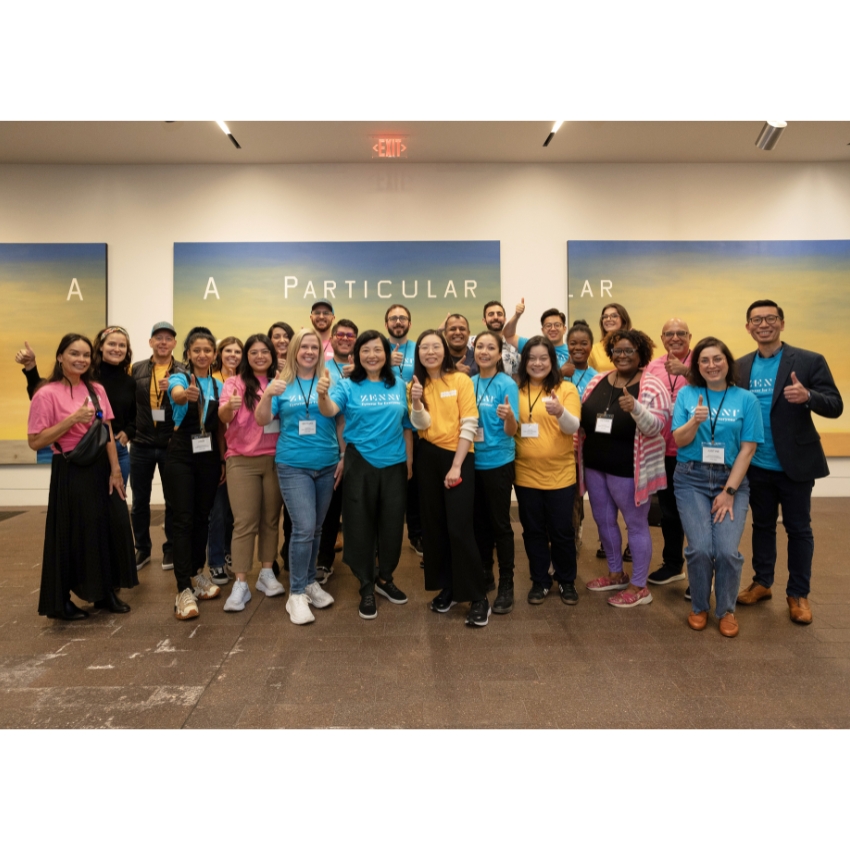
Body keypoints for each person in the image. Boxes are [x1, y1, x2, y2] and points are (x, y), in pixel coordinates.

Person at [735, 299, 844, 625]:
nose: (763, 324)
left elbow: (835, 404)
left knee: (798, 529)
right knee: (762, 526)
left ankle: (798, 593)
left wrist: (809, 397)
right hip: (757, 464)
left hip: (795, 464)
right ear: (748, 327)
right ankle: (762, 582)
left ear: (782, 323)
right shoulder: (740, 366)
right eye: (756, 319)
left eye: (770, 318)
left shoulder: (809, 361)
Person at [27, 333, 137, 620]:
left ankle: (104, 592)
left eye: (86, 355)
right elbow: (35, 441)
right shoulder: (46, 393)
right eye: (74, 354)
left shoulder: (96, 389)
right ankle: (61, 601)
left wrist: (115, 470)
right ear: (60, 357)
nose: (81, 359)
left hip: (101, 466)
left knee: (110, 526)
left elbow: (107, 430)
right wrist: (72, 420)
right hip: (70, 468)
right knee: (72, 532)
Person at [317, 330, 413, 619]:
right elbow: (329, 410)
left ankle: (385, 578)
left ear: (387, 354)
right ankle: (366, 585)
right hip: (360, 462)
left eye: (378, 350)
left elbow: (407, 426)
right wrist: (322, 393)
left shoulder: (399, 385)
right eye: (366, 350)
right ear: (356, 355)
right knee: (360, 524)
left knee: (392, 524)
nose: (372, 355)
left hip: (395, 463)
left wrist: (409, 461)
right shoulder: (347, 385)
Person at [672, 336, 763, 638]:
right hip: (691, 478)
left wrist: (729, 492)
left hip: (730, 480)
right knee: (699, 548)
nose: (712, 365)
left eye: (717, 359)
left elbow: (748, 449)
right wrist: (694, 422)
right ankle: (699, 606)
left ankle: (726, 610)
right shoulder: (687, 394)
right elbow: (679, 440)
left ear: (727, 362)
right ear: (697, 366)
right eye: (704, 360)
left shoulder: (746, 399)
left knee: (725, 551)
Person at [578, 329, 670, 607]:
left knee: (635, 525)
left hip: (630, 470)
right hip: (595, 466)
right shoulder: (598, 380)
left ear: (641, 354)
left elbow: (657, 427)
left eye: (629, 350)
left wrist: (636, 408)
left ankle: (640, 586)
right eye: (617, 350)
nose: (622, 355)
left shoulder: (652, 385)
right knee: (603, 521)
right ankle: (616, 574)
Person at [255, 328, 337, 625]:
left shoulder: (330, 379)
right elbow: (262, 420)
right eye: (304, 346)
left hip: (326, 462)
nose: (309, 351)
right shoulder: (282, 383)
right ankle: (297, 593)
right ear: (294, 351)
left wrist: (324, 393)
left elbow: (332, 412)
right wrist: (267, 394)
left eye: (314, 347)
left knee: (316, 529)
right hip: (293, 464)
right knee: (303, 527)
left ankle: (310, 581)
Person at [408, 330, 490, 627]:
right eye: (424, 347)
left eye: (435, 346)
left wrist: (456, 466)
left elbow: (470, 422)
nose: (430, 352)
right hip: (428, 457)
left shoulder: (460, 380)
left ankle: (478, 597)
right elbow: (421, 424)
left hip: (458, 456)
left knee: (459, 527)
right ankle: (450, 588)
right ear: (418, 353)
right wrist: (417, 402)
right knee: (435, 527)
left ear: (444, 350)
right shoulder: (416, 385)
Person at [512, 336, 582, 606]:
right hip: (526, 474)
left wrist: (560, 411)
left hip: (560, 475)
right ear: (524, 362)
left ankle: (566, 580)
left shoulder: (566, 389)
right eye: (531, 358)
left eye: (543, 358)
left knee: (562, 531)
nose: (537, 363)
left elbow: (572, 427)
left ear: (552, 361)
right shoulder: (517, 390)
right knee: (533, 531)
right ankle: (540, 580)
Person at [219, 333, 286, 612]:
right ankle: (241, 583)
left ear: (272, 355)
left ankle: (267, 573)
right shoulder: (234, 383)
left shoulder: (280, 381)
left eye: (265, 352)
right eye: (254, 352)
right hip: (241, 460)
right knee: (244, 522)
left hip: (275, 459)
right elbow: (223, 417)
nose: (260, 356)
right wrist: (229, 407)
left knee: (270, 520)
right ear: (247, 356)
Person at [165, 328, 225, 620]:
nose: (202, 355)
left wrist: (223, 460)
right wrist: (185, 395)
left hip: (209, 456)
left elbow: (220, 426)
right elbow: (176, 395)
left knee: (203, 517)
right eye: (197, 350)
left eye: (207, 350)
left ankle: (197, 573)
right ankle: (182, 589)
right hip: (181, 455)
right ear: (187, 353)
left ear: (214, 354)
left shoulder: (218, 385)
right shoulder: (179, 378)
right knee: (183, 519)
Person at [470, 332, 520, 612]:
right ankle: (485, 572)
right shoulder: (469, 383)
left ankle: (507, 583)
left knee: (500, 525)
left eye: (491, 347)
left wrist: (509, 417)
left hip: (499, 462)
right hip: (472, 462)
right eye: (480, 347)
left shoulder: (506, 384)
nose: (485, 351)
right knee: (479, 523)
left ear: (500, 354)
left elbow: (512, 431)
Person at [645, 318, 693, 589]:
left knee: (697, 512)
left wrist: (686, 371)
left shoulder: (701, 361)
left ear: (690, 336)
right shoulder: (653, 366)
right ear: (662, 338)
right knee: (669, 512)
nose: (675, 338)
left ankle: (701, 574)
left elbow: (716, 386)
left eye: (681, 333)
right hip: (662, 450)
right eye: (669, 334)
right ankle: (673, 564)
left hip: (693, 451)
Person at [130, 321, 183, 571]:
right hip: (141, 443)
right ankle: (142, 548)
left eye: (168, 338)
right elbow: (127, 403)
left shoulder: (182, 370)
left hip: (170, 443)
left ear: (174, 343)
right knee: (140, 500)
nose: (163, 342)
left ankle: (170, 548)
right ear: (151, 342)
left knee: (173, 500)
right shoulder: (136, 369)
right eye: (158, 338)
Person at [316, 319, 358, 582]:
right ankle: (324, 560)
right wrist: (342, 453)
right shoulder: (322, 369)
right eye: (339, 335)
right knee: (330, 510)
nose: (344, 338)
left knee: (361, 508)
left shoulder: (366, 368)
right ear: (331, 339)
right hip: (332, 448)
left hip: (364, 449)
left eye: (350, 335)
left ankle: (367, 561)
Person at [384, 304, 423, 557]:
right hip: (388, 425)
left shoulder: (419, 349)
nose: (398, 322)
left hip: (417, 424)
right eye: (393, 318)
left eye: (402, 318)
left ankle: (417, 534)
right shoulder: (378, 349)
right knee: (391, 485)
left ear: (409, 322)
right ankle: (386, 539)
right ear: (386, 323)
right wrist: (387, 363)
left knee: (416, 483)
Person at [206, 336, 242, 585]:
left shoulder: (246, 380)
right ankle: (216, 560)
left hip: (243, 454)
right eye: (228, 350)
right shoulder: (214, 381)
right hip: (219, 452)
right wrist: (221, 459)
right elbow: (219, 425)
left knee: (236, 512)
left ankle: (230, 553)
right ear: (219, 354)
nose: (233, 355)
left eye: (238, 351)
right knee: (218, 511)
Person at [564, 320, 598, 551]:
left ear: (591, 346)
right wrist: (558, 373)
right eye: (573, 343)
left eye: (583, 343)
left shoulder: (596, 377)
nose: (578, 348)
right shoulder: (557, 371)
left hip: (585, 444)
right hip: (559, 442)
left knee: (576, 493)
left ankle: (574, 538)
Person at [266, 321, 295, 574]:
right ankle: (269, 557)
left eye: (286, 336)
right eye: (277, 336)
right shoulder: (262, 366)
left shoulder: (298, 368)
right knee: (270, 509)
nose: (282, 340)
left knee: (292, 508)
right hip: (265, 445)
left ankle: (289, 551)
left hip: (291, 446)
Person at [503, 302, 571, 374]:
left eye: (557, 325)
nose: (553, 329)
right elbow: (509, 336)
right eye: (548, 325)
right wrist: (517, 316)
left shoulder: (572, 350)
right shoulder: (532, 346)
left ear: (564, 329)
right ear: (543, 330)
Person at [469, 300, 521, 377]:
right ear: (484, 321)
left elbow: (516, 378)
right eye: (491, 314)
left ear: (504, 320)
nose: (496, 317)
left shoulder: (514, 347)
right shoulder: (470, 342)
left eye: (499, 314)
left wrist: (517, 315)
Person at [588, 302, 633, 372]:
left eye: (614, 316)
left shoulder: (635, 345)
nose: (608, 319)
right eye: (605, 317)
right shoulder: (594, 349)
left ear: (623, 320)